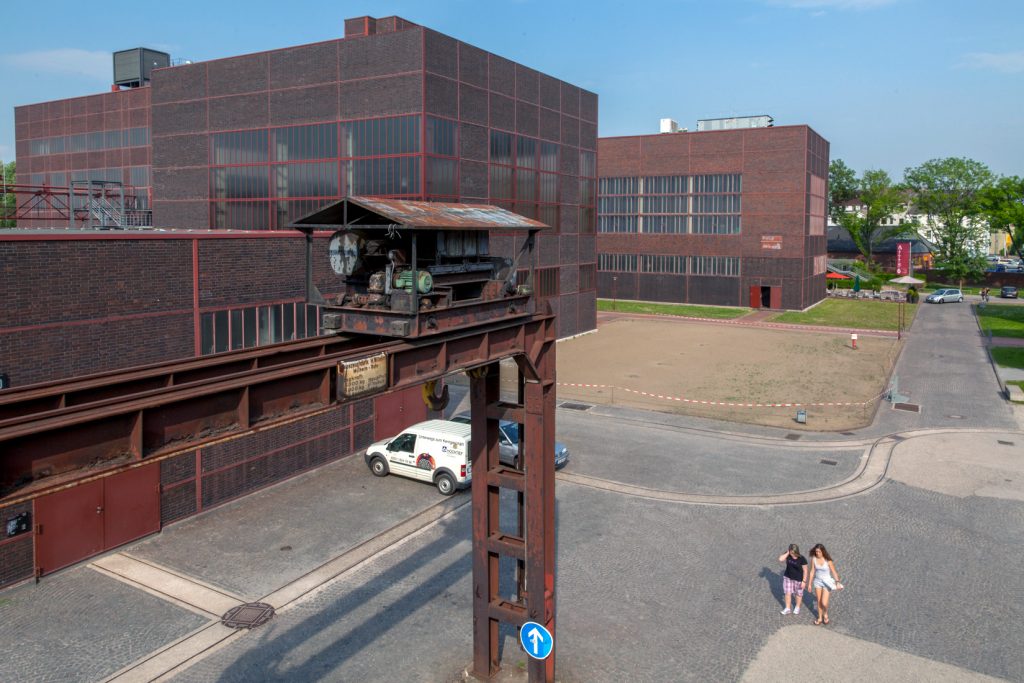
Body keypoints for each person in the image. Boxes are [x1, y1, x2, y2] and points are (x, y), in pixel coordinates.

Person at [808, 543, 843, 625]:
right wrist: (809, 584)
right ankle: (820, 618)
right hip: (817, 582)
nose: (817, 553)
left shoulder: (828, 560)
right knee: (819, 601)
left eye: (819, 552)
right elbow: (812, 571)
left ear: (823, 551)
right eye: (816, 551)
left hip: (827, 582)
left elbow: (834, 572)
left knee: (824, 602)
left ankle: (825, 613)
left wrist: (837, 582)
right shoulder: (814, 559)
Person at [777, 544, 808, 615]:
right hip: (788, 577)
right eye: (791, 553)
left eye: (794, 553)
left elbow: (805, 571)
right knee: (787, 593)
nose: (792, 555)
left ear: (797, 551)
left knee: (798, 594)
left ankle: (797, 607)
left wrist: (804, 581)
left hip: (798, 579)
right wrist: (787, 552)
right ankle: (787, 608)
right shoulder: (788, 555)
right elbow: (780, 559)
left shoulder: (802, 559)